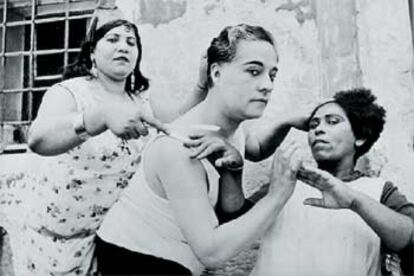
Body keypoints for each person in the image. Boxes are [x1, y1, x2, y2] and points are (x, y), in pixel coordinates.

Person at [95, 23, 307, 275]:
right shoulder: (180, 148)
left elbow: (257, 148)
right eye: (253, 71)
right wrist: (277, 194)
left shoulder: (233, 127)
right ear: (215, 73)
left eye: (272, 75)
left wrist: (288, 121)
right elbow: (212, 253)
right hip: (135, 262)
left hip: (177, 261)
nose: (267, 86)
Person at [18, 14, 207, 276]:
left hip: (111, 240)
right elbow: (38, 139)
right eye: (113, 39)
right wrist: (99, 117)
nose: (123, 46)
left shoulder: (141, 100)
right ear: (92, 53)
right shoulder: (70, 92)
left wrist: (201, 86)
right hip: (55, 242)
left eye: (131, 42)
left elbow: (175, 121)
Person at [251, 88, 414, 276]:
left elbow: (408, 238)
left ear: (360, 137)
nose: (318, 129)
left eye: (332, 122)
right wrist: (233, 168)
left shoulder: (378, 190)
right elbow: (233, 220)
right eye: (313, 124)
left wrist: (354, 202)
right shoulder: (287, 181)